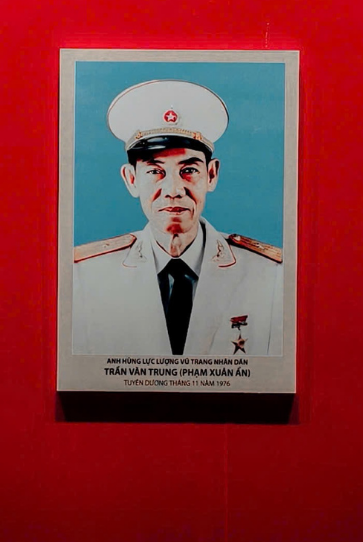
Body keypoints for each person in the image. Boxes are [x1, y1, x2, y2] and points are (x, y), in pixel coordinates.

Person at [71, 79, 283, 356]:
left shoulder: (270, 275)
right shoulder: (86, 277)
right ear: (131, 179)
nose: (173, 190)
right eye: (155, 171)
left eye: (189, 170)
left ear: (211, 175)